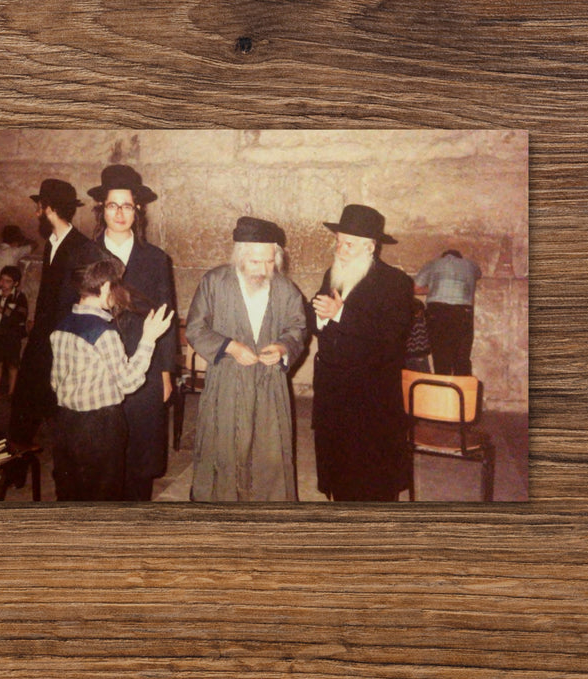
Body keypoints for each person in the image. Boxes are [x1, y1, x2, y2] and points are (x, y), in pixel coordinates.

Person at [185, 217, 309, 502]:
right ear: (240, 257)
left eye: (269, 262)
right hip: (227, 381)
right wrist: (228, 346)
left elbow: (298, 328)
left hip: (269, 384)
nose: (263, 270)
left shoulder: (286, 289)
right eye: (255, 262)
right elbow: (195, 327)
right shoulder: (214, 282)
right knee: (224, 448)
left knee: (269, 454)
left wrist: (281, 347)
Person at [310, 204, 414, 502]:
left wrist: (341, 314)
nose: (340, 249)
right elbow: (318, 314)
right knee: (338, 471)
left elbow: (392, 335)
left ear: (370, 247)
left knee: (370, 478)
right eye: (339, 241)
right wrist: (319, 316)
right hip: (332, 391)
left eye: (349, 244)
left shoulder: (395, 282)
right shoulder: (334, 273)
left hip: (370, 398)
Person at [51, 259, 175, 501]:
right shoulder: (104, 332)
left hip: (66, 423)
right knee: (104, 492)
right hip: (101, 426)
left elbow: (55, 382)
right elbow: (128, 382)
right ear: (106, 287)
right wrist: (148, 339)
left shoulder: (62, 327)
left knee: (71, 490)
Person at [88, 164, 177, 501]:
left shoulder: (155, 259)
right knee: (103, 451)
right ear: (102, 209)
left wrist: (166, 372)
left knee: (140, 452)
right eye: (113, 205)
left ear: (137, 210)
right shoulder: (86, 254)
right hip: (99, 367)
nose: (120, 212)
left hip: (145, 366)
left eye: (127, 205)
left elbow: (166, 314)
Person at [8, 179, 103, 449]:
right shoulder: (52, 242)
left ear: (47, 207)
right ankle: (17, 458)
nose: (36, 211)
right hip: (44, 334)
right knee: (27, 396)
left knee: (56, 405)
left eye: (39, 205)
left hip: (65, 338)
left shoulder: (81, 247)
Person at [413, 248, 482, 376]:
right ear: (460, 257)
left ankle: (444, 392)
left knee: (440, 357)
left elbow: (415, 288)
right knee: (462, 358)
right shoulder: (471, 265)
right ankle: (463, 393)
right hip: (462, 312)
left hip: (437, 312)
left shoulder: (433, 263)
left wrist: (435, 288)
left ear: (443, 257)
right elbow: (478, 275)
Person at [0, 265, 28, 398]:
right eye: (1, 279)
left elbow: (20, 316)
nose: (3, 283)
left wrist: (2, 310)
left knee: (13, 365)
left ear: (16, 283)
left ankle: (11, 393)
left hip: (12, 334)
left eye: (8, 281)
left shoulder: (20, 297)